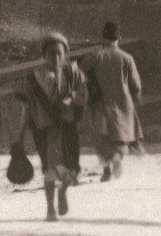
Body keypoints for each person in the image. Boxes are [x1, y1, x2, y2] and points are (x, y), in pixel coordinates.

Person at [15, 33, 85, 219]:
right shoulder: (33, 79)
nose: (56, 58)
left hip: (68, 129)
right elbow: (26, 110)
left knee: (72, 170)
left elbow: (84, 92)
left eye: (60, 54)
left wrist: (70, 99)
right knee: (49, 170)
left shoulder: (72, 72)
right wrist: (19, 138)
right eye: (51, 54)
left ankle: (63, 191)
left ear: (65, 54)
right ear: (43, 55)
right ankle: (50, 209)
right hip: (45, 132)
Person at [76, 18, 143, 180]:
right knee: (121, 137)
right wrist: (137, 97)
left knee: (102, 139)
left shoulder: (94, 56)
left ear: (103, 38)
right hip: (122, 103)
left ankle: (106, 169)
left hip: (100, 103)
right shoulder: (127, 58)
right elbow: (135, 83)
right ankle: (118, 158)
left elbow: (78, 76)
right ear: (118, 39)